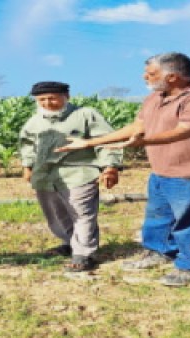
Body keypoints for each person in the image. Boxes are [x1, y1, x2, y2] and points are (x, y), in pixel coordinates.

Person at [57, 53, 190, 285]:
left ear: (172, 77)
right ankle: (159, 252)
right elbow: (137, 126)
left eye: (151, 73)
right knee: (158, 217)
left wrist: (143, 142)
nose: (144, 77)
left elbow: (185, 130)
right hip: (161, 169)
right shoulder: (154, 97)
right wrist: (91, 143)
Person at [19, 81, 123, 272]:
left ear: (67, 96)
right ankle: (68, 242)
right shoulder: (35, 120)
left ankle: (84, 254)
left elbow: (107, 141)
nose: (47, 103)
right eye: (42, 99)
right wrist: (27, 166)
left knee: (81, 213)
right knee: (56, 213)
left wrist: (110, 166)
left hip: (79, 172)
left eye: (52, 98)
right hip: (45, 175)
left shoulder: (85, 115)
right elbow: (27, 145)